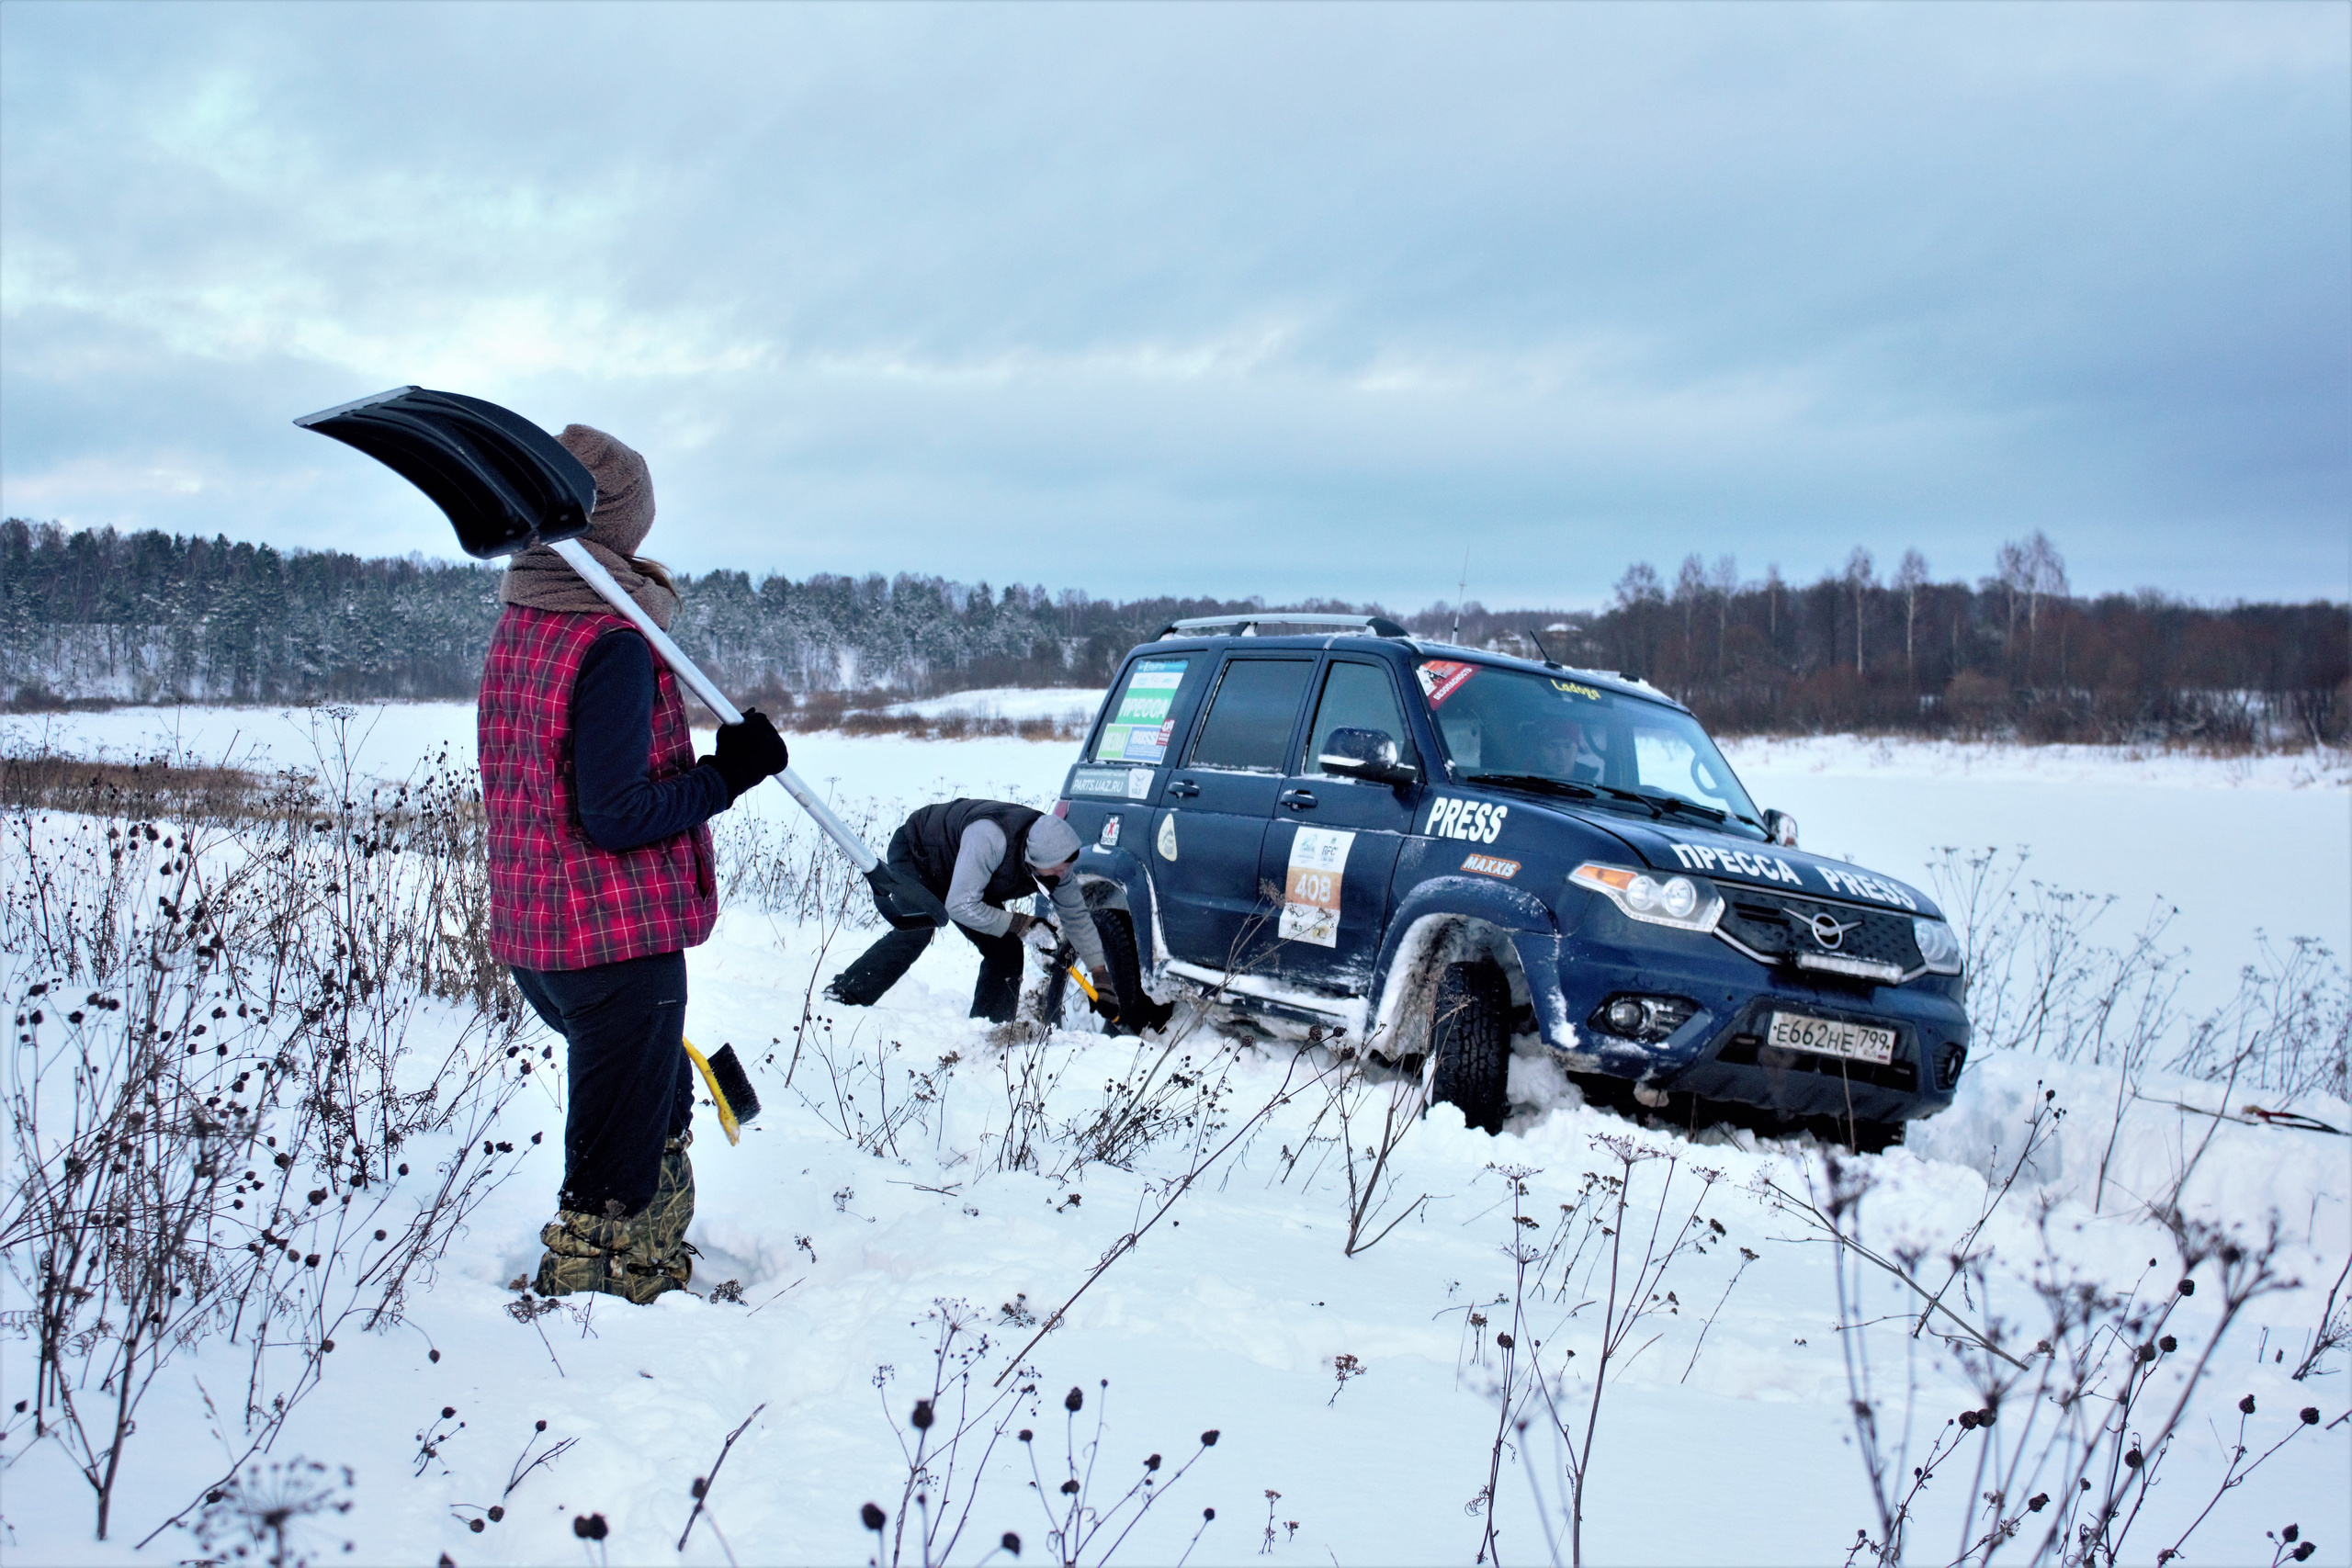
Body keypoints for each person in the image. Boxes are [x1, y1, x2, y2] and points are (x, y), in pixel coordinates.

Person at [478, 423, 789, 1304]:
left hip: (542, 930)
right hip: (611, 938)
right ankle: (609, 1304)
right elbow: (613, 815)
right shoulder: (607, 641)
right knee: (620, 1158)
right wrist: (728, 776)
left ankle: (621, 1278)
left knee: (642, 1113)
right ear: (620, 526)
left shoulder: (527, 618)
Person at [825, 799, 1121, 1024]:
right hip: (920, 855)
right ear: (1033, 859)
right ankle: (845, 994)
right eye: (1057, 869)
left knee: (1005, 948)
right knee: (918, 926)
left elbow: (1078, 919)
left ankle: (989, 1030)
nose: (1063, 875)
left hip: (970, 877)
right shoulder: (991, 838)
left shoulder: (1056, 864)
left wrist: (1100, 975)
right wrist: (1024, 924)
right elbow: (960, 905)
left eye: (1066, 869)